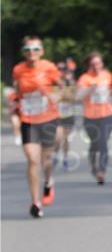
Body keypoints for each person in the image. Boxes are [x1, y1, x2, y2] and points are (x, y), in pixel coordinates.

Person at [11, 36, 62, 217]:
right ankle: (35, 202)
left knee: (46, 160)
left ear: (42, 51)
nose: (31, 52)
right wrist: (15, 103)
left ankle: (48, 182)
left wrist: (54, 95)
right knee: (33, 160)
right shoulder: (18, 69)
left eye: (35, 49)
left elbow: (62, 87)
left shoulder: (49, 67)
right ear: (23, 52)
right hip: (28, 120)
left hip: (48, 118)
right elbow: (17, 93)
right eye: (27, 49)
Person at [77, 52, 112, 184]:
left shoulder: (107, 75)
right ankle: (94, 166)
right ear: (89, 65)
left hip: (107, 114)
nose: (96, 66)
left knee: (103, 142)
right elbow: (79, 96)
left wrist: (111, 92)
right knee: (95, 144)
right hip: (90, 117)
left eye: (98, 63)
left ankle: (101, 171)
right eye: (93, 64)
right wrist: (90, 89)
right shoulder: (85, 78)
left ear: (102, 64)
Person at [55, 59, 77, 168]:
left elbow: (73, 98)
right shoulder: (52, 81)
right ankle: (55, 154)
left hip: (68, 114)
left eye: (63, 69)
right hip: (55, 115)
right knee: (58, 138)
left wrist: (65, 87)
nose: (61, 71)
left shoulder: (71, 82)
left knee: (65, 138)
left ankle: (65, 158)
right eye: (58, 69)